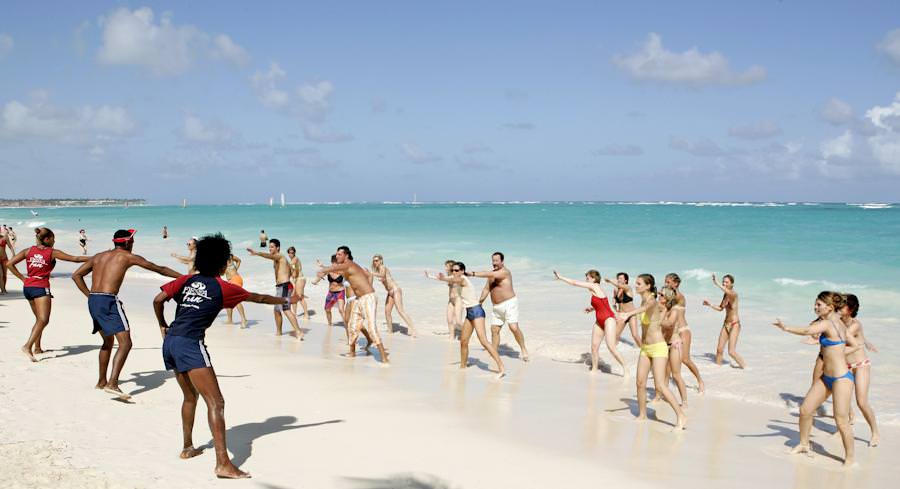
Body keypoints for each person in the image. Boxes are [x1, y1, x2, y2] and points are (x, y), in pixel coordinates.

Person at [153, 233, 299, 479]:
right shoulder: (224, 288)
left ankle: (187, 448)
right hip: (190, 344)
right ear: (223, 263)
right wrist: (287, 299)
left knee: (190, 397)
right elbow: (259, 298)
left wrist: (162, 324)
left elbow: (158, 300)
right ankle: (223, 463)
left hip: (171, 342)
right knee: (216, 402)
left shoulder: (186, 280)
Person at [71, 229, 181, 398]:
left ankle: (101, 381)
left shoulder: (99, 256)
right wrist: (185, 278)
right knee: (125, 343)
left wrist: (90, 295)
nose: (134, 243)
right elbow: (159, 268)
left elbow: (76, 275)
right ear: (128, 242)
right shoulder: (128, 257)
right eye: (133, 240)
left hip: (94, 300)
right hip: (108, 301)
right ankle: (112, 383)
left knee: (108, 342)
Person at [773, 291, 855, 466]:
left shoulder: (828, 323)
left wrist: (785, 328)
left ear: (829, 307)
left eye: (819, 304)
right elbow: (854, 345)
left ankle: (850, 458)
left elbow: (807, 330)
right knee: (805, 410)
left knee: (841, 421)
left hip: (841, 379)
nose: (815, 307)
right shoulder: (836, 322)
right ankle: (804, 444)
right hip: (826, 378)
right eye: (815, 304)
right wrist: (839, 351)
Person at [6, 227, 89, 361]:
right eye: (53, 239)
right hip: (40, 287)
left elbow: (9, 264)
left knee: (39, 320)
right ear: (47, 239)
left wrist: (23, 278)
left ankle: (37, 348)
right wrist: (97, 257)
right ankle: (27, 346)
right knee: (43, 320)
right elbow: (75, 258)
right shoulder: (52, 252)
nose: (54, 241)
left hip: (28, 287)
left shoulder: (28, 251)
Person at [618, 274, 687, 431]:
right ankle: (642, 415)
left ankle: (681, 415)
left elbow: (646, 308)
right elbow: (647, 312)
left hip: (658, 347)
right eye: (636, 283)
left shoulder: (651, 301)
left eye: (639, 283)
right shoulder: (644, 300)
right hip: (646, 348)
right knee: (640, 383)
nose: (636, 286)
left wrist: (628, 314)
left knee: (661, 385)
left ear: (648, 286)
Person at [317, 246, 388, 362]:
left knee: (371, 327)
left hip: (368, 297)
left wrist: (322, 270)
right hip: (358, 299)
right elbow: (335, 270)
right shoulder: (345, 268)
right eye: (336, 254)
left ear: (346, 256)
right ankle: (352, 352)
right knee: (352, 325)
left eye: (339, 254)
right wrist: (323, 269)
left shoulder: (349, 264)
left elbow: (335, 268)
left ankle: (384, 358)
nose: (337, 256)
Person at [435, 262, 504, 378]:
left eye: (457, 270)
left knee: (483, 341)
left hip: (477, 311)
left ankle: (501, 368)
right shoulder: (457, 279)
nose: (454, 272)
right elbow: (452, 279)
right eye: (453, 270)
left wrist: (443, 279)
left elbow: (455, 280)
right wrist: (440, 278)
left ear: (462, 271)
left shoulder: (462, 279)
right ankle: (463, 367)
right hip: (469, 313)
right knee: (463, 341)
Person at [554, 269, 627, 376]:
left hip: (608, 319)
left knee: (611, 346)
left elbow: (574, 283)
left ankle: (626, 369)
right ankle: (594, 369)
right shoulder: (596, 289)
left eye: (587, 278)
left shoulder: (594, 286)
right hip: (599, 320)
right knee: (594, 347)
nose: (586, 280)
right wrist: (592, 308)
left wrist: (561, 277)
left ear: (593, 279)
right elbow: (603, 303)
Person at [466, 252, 529, 361]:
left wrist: (472, 274)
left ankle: (523, 349)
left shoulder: (505, 272)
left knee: (513, 327)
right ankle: (494, 352)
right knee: (494, 330)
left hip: (509, 303)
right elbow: (486, 289)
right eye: (493, 260)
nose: (494, 263)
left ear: (502, 261)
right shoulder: (491, 275)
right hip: (496, 307)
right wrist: (480, 302)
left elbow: (488, 274)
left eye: (496, 260)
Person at [840, 293, 879, 447]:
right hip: (845, 365)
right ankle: (849, 421)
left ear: (850, 309)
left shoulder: (855, 324)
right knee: (843, 400)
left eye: (842, 305)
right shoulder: (838, 322)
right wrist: (866, 342)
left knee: (861, 402)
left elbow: (844, 336)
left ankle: (875, 431)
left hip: (860, 365)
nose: (837, 307)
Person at [246, 239, 304, 339]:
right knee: (277, 310)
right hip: (283, 286)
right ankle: (279, 332)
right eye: (269, 247)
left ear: (278, 248)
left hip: (284, 286)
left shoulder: (280, 256)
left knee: (285, 309)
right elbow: (292, 272)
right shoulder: (280, 260)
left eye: (272, 247)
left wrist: (257, 253)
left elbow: (270, 256)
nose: (270, 249)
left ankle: (298, 332)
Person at [665, 273, 704, 393]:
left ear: (676, 283)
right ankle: (664, 389)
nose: (666, 284)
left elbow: (673, 297)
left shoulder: (679, 297)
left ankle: (700, 381)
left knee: (685, 359)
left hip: (683, 331)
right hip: (672, 332)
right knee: (667, 362)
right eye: (665, 282)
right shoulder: (667, 296)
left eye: (668, 282)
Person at [703, 273, 746, 368]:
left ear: (732, 284)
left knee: (731, 351)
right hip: (726, 324)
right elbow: (720, 308)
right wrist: (709, 304)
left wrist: (716, 283)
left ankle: (745, 368)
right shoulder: (725, 295)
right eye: (723, 282)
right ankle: (718, 369)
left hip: (735, 324)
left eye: (726, 282)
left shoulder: (733, 294)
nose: (724, 283)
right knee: (719, 350)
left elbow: (726, 290)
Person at [371, 254, 417, 337]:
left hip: (395, 290)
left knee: (400, 310)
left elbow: (382, 275)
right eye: (374, 261)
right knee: (387, 311)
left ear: (381, 261)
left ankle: (412, 329)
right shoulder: (379, 270)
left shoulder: (382, 267)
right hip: (390, 292)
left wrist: (371, 273)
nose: (375, 262)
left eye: (377, 260)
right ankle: (390, 331)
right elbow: (383, 277)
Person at [659, 287, 688, 407]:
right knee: (664, 374)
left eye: (662, 295)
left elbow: (669, 324)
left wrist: (657, 320)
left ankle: (684, 401)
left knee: (676, 375)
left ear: (668, 297)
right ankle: (661, 396)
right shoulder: (661, 309)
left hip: (675, 344)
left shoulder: (674, 310)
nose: (659, 296)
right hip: (664, 344)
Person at [425, 260, 463, 337]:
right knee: (449, 319)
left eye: (446, 266)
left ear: (451, 267)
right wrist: (429, 276)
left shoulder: (456, 277)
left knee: (458, 321)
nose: (445, 268)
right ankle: (451, 336)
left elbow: (446, 278)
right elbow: (441, 278)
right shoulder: (448, 276)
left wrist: (442, 278)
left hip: (458, 300)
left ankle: (467, 332)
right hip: (451, 300)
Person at [604, 273, 642, 346]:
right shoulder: (616, 290)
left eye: (621, 278)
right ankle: (614, 348)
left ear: (625, 280)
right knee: (615, 334)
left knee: (635, 335)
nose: (619, 279)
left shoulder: (628, 288)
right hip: (621, 315)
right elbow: (614, 301)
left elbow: (619, 285)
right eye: (618, 278)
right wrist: (615, 308)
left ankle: (642, 348)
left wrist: (610, 281)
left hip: (631, 314)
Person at [312, 255, 347, 327]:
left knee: (341, 310)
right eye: (333, 263)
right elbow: (321, 275)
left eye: (337, 263)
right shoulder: (328, 270)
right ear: (332, 262)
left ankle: (347, 325)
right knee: (327, 309)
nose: (335, 265)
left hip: (340, 292)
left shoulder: (342, 270)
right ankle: (329, 324)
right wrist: (315, 281)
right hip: (331, 293)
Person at [223, 254, 248, 328]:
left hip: (236, 279)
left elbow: (239, 260)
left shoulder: (230, 256)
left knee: (236, 300)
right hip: (230, 280)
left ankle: (244, 319)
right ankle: (229, 320)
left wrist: (235, 269)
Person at [287, 246, 310, 321]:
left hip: (300, 279)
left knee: (300, 297)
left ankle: (306, 314)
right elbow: (292, 272)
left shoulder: (295, 259)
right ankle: (294, 314)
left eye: (292, 253)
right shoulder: (291, 261)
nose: (291, 254)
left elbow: (290, 265)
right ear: (288, 253)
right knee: (293, 296)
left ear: (294, 253)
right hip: (295, 280)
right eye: (290, 253)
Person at [0, 228, 12, 294]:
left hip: (4, 258)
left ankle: (4, 288)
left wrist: (13, 254)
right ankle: (2, 290)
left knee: (4, 275)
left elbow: (10, 246)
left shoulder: (5, 238)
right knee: (0, 275)